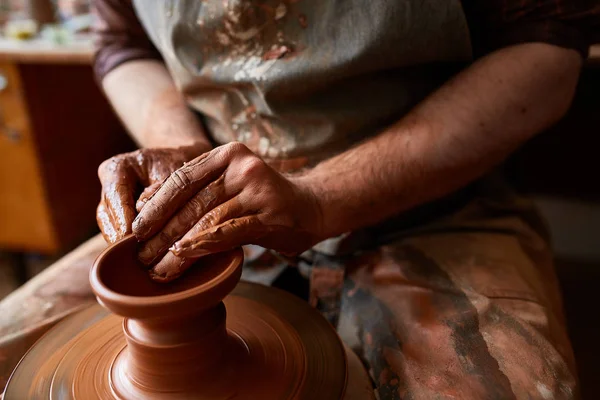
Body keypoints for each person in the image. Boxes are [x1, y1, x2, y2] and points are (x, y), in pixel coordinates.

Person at [1, 0, 597, 397]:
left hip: (428, 207)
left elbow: (545, 46)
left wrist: (317, 199)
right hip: (214, 214)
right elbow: (122, 43)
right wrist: (183, 152)